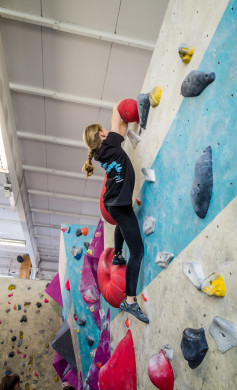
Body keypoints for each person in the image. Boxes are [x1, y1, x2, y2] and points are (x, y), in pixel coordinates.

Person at [82, 103, 149, 324]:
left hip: (115, 202)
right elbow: (115, 117)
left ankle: (118, 252)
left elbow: (118, 128)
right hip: (117, 205)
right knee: (138, 251)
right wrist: (117, 106)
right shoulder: (109, 142)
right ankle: (130, 300)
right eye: (104, 130)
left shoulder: (102, 151)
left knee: (123, 222)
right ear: (102, 134)